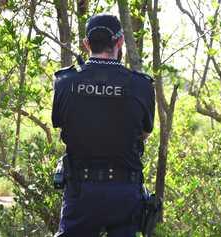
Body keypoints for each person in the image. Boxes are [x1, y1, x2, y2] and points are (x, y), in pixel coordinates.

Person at [52, 13, 155, 237]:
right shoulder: (141, 85)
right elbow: (145, 133)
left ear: (86, 43)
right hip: (124, 194)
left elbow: (61, 125)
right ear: (120, 42)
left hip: (80, 193)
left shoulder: (65, 82)